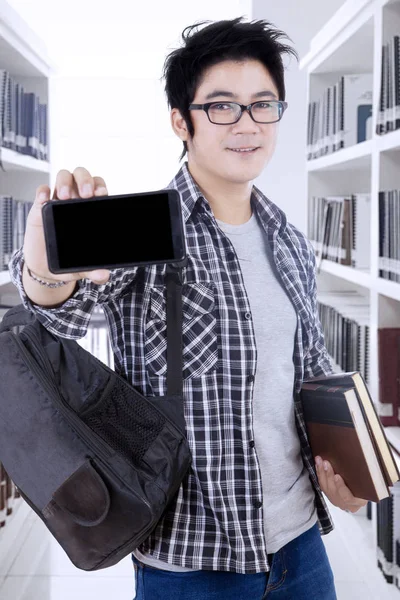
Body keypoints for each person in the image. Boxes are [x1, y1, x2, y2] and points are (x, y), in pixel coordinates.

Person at [9, 17, 367, 600]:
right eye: (222, 107)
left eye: (262, 105)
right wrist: (46, 269)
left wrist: (350, 476)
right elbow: (57, 313)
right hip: (191, 561)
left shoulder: (291, 241)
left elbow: (311, 375)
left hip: (301, 548)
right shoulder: (144, 234)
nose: (246, 125)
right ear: (183, 121)